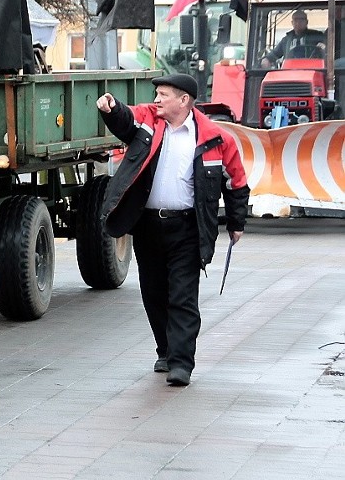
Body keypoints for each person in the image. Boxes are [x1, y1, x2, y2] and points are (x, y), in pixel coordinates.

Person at [96, 73, 249, 387]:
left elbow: (236, 183)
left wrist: (236, 223)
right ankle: (165, 350)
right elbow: (127, 121)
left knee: (182, 296)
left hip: (187, 229)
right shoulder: (149, 124)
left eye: (163, 94)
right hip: (148, 226)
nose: (156, 100)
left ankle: (181, 363)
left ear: (183, 100)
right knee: (153, 293)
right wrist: (112, 108)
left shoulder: (216, 138)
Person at [261, 9, 325, 68]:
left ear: (307, 22)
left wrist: (323, 48)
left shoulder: (317, 36)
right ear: (292, 22)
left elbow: (327, 50)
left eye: (302, 19)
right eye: (296, 20)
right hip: (290, 72)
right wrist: (267, 59)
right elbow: (275, 54)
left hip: (313, 70)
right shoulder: (286, 40)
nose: (298, 22)